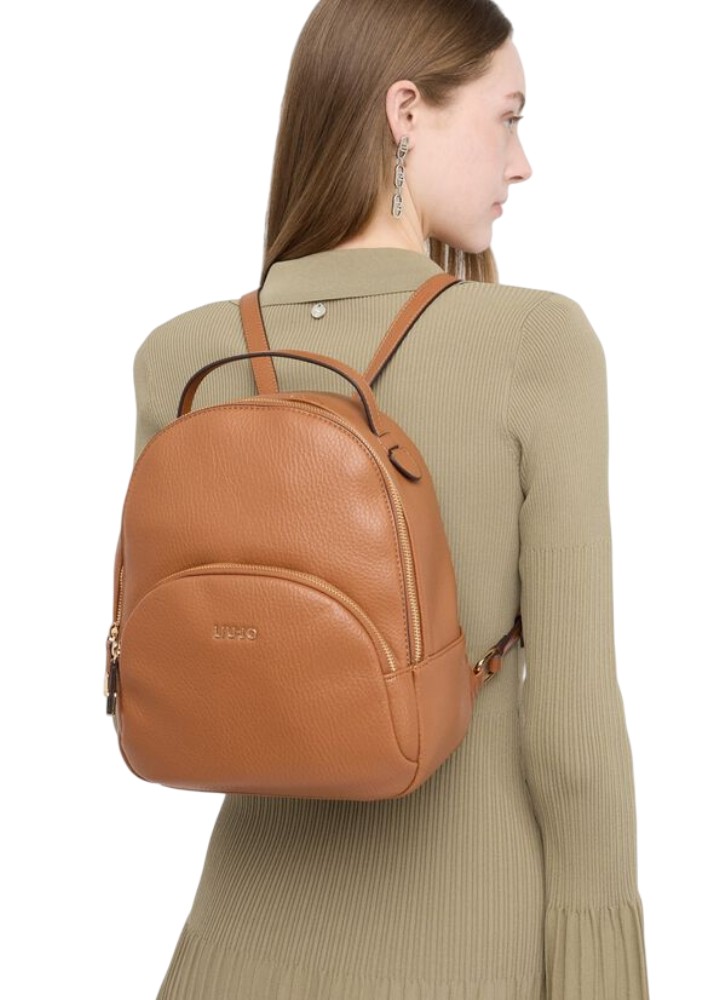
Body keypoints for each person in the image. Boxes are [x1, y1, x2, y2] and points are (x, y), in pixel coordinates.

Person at [131, 1, 650, 996]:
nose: (521, 164)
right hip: (466, 946)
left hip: (231, 944)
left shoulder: (182, 357)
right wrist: (599, 971)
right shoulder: (533, 344)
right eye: (507, 117)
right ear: (404, 111)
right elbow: (573, 728)